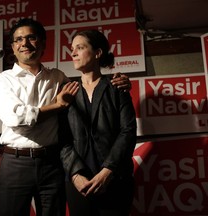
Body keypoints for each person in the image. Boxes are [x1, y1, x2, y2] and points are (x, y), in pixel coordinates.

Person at [0, 18, 131, 216]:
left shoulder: (59, 78)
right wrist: (56, 105)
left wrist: (122, 80)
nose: (24, 43)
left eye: (31, 37)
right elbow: (15, 118)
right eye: (18, 39)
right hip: (16, 163)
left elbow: (94, 86)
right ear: (13, 47)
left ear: (42, 43)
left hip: (51, 165)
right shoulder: (1, 81)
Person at [59, 29, 137, 216]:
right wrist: (75, 175)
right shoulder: (66, 91)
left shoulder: (117, 86)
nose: (73, 53)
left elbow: (128, 131)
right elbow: (62, 138)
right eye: (72, 49)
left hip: (115, 179)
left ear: (98, 53)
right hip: (79, 183)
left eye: (80, 47)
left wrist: (107, 172)